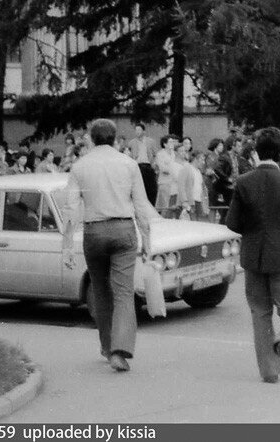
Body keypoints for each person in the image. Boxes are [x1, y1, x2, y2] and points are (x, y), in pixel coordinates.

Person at [61, 119, 152, 373]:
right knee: (123, 292)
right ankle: (119, 350)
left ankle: (106, 345)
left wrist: (67, 246)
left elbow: (70, 210)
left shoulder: (79, 167)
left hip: (94, 232)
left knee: (101, 292)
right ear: (114, 138)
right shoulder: (129, 164)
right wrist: (147, 240)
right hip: (123, 230)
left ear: (91, 137)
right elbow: (141, 206)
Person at [226, 127, 280, 384]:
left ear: (256, 152)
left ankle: (269, 371)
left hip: (253, 255)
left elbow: (232, 222)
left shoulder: (244, 182)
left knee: (260, 311)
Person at [126, 124, 159, 205]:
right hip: (137, 166)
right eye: (136, 130)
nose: (137, 132)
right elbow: (129, 154)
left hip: (148, 165)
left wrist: (153, 164)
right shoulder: (132, 142)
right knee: (139, 187)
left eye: (139, 130)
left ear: (144, 131)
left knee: (150, 188)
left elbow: (156, 154)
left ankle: (151, 204)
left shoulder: (150, 141)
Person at [154, 135, 181, 212]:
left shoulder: (174, 154)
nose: (172, 143)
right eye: (170, 142)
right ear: (165, 144)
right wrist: (173, 170)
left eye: (172, 142)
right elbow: (163, 169)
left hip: (174, 183)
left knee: (173, 206)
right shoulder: (160, 154)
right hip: (165, 183)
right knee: (165, 206)